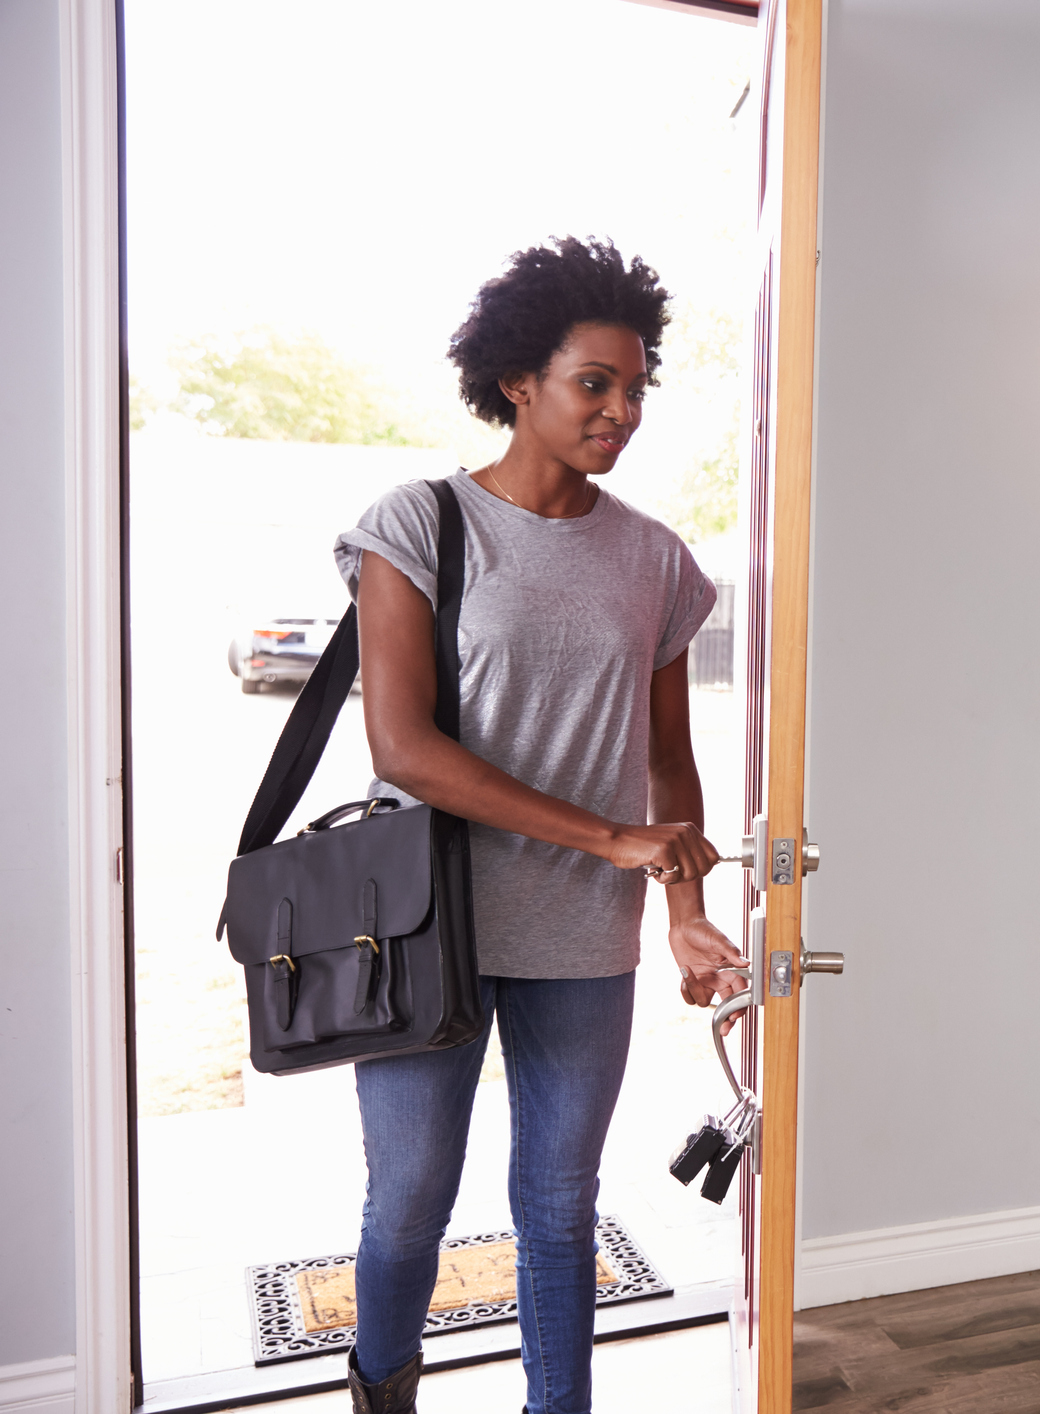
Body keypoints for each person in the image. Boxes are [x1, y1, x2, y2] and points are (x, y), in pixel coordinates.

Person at [331, 236, 745, 1414]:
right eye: (594, 384)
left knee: (561, 1208)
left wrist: (685, 911)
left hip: (582, 941)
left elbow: (668, 757)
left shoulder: (656, 559)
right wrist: (606, 837)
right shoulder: (419, 524)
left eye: (636, 388)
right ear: (520, 379)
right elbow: (402, 747)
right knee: (409, 1196)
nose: (622, 411)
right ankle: (380, 1394)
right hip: (429, 927)